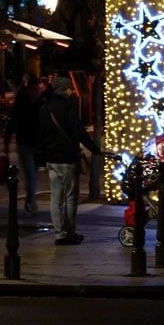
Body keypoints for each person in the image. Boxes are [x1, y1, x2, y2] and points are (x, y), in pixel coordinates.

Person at [38, 75, 102, 245]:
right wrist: (94, 150)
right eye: (69, 87)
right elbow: (79, 131)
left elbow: (40, 134)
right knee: (71, 197)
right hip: (67, 158)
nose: (71, 90)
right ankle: (70, 232)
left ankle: (59, 233)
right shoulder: (68, 106)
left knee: (55, 197)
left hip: (51, 159)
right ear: (63, 89)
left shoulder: (45, 107)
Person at [4, 75, 42, 215]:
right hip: (25, 143)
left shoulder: (41, 104)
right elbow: (11, 123)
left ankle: (29, 199)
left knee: (34, 173)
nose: (36, 92)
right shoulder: (22, 104)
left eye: (37, 89)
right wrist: (7, 142)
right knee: (30, 173)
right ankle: (31, 202)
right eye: (33, 89)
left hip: (38, 144)